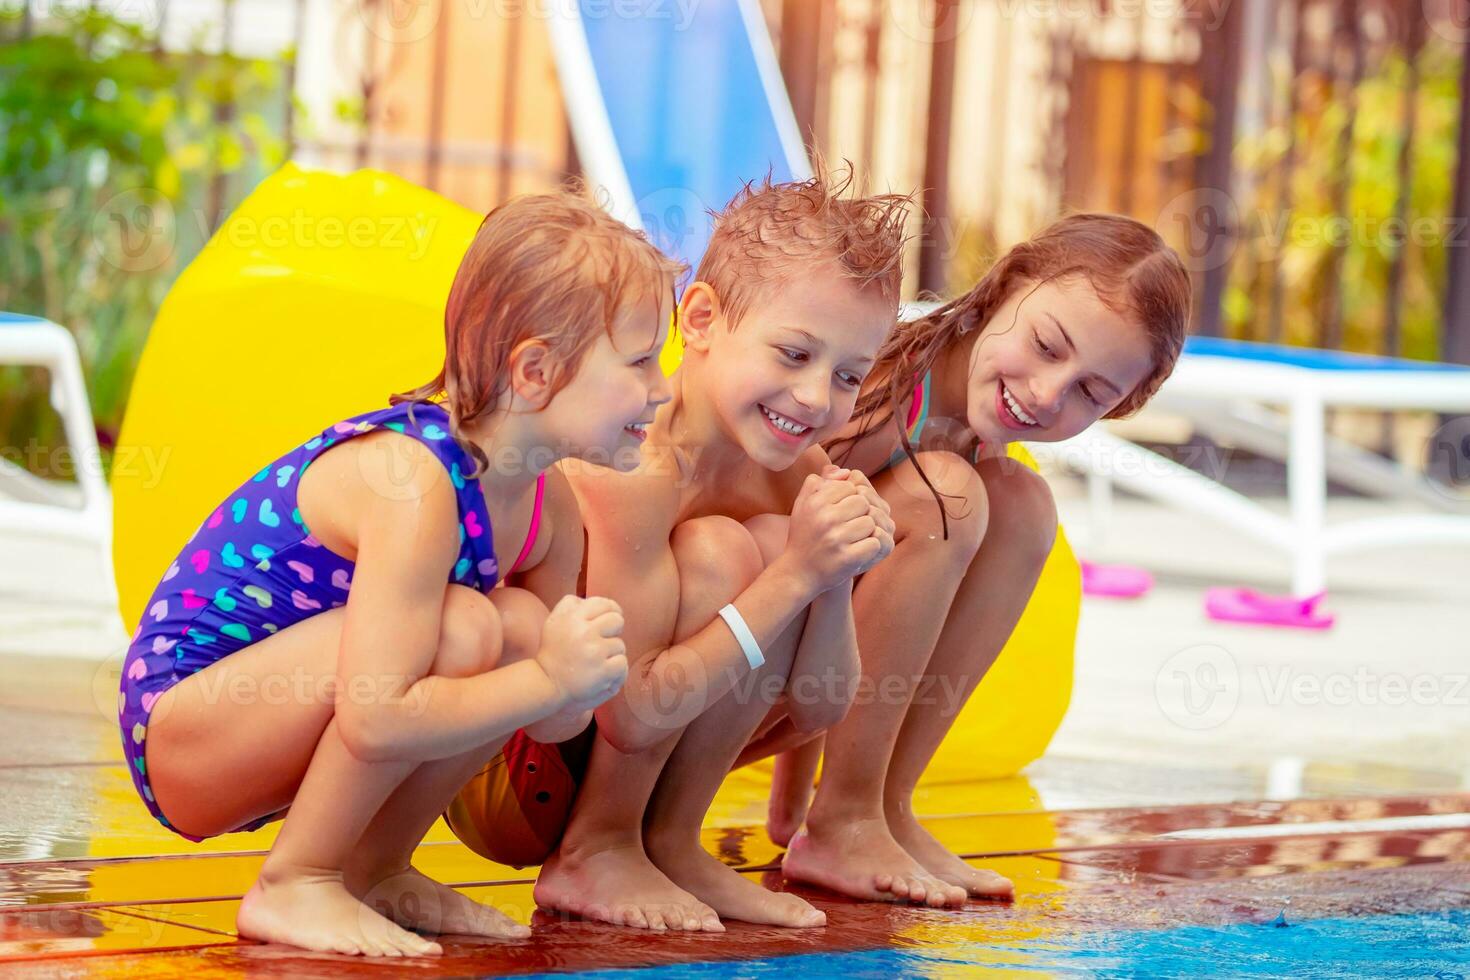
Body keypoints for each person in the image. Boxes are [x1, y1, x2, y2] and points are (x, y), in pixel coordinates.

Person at [117, 191, 682, 956]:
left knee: (511, 627)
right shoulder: (415, 481)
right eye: (641, 359)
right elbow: (377, 717)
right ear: (537, 370)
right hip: (187, 729)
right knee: (468, 626)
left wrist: (577, 682)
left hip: (284, 719)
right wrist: (550, 680)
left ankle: (375, 867)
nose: (663, 387)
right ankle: (296, 881)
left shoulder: (550, 507)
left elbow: (548, 720)